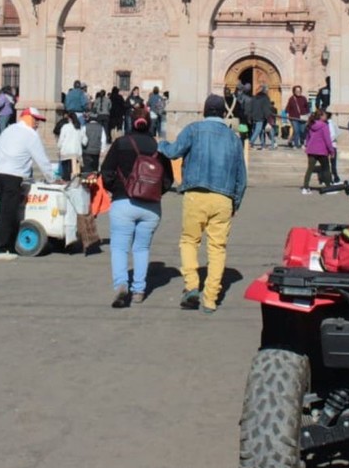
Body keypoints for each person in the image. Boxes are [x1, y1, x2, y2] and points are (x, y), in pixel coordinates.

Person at [159, 94, 247, 314]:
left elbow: (173, 152)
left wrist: (161, 144)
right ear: (224, 113)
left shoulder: (194, 130)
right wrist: (235, 201)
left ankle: (191, 285)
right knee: (217, 248)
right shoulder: (233, 138)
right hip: (223, 198)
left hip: (196, 194)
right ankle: (210, 298)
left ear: (205, 111)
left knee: (189, 241)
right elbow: (242, 177)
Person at [100, 106, 173, 307]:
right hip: (151, 207)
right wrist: (154, 193)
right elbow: (168, 180)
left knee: (119, 247)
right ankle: (139, 290)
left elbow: (105, 171)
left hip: (123, 202)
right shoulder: (159, 147)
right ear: (149, 123)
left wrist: (116, 189)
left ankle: (122, 284)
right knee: (141, 248)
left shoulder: (121, 143)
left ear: (130, 122)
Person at [0, 106, 54, 260]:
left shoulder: (9, 130)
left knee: (6, 210)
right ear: (28, 117)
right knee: (9, 214)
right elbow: (42, 160)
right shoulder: (30, 135)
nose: (38, 124)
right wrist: (52, 179)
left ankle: (10, 246)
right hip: (12, 176)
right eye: (36, 120)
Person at [301, 108, 335, 194]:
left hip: (311, 150)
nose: (326, 116)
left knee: (310, 169)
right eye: (324, 115)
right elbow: (327, 139)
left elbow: (308, 138)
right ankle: (328, 188)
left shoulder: (310, 124)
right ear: (321, 116)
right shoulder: (324, 125)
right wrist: (331, 151)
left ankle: (305, 187)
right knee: (326, 168)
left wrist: (307, 146)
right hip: (322, 150)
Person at [57, 110, 85, 180]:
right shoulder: (79, 127)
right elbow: (84, 141)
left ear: (69, 118)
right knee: (75, 173)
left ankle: (66, 182)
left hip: (66, 152)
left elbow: (61, 139)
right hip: (76, 152)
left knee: (66, 173)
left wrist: (59, 147)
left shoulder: (65, 127)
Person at [81, 110, 109, 175]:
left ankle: (86, 179)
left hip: (86, 150)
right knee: (95, 167)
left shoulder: (85, 126)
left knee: (87, 168)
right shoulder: (101, 127)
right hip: (96, 151)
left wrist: (83, 145)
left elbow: (82, 138)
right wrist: (102, 150)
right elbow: (103, 140)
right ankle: (94, 179)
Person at [249, 85, 276, 151]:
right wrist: (268, 116)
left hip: (255, 115)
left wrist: (250, 116)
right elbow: (266, 108)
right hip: (262, 116)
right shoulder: (265, 98)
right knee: (259, 130)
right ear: (265, 91)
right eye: (267, 90)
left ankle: (263, 145)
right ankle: (250, 143)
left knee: (261, 130)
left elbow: (251, 107)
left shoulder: (255, 97)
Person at [285, 85, 310, 149]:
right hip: (294, 118)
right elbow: (287, 108)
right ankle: (296, 144)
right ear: (294, 91)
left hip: (303, 117)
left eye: (299, 91)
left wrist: (309, 116)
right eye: (296, 91)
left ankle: (302, 143)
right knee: (296, 131)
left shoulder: (303, 98)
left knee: (302, 131)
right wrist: (287, 116)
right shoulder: (291, 99)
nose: (298, 92)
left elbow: (307, 108)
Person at [324, 110, 341, 183]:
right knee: (332, 163)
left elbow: (333, 134)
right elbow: (337, 133)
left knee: (328, 163)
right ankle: (334, 177)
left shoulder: (328, 123)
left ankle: (332, 177)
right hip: (332, 145)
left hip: (328, 145)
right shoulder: (331, 123)